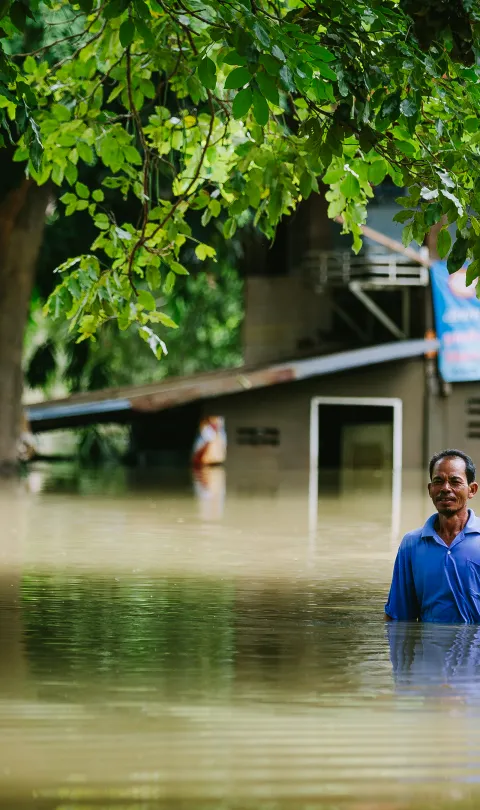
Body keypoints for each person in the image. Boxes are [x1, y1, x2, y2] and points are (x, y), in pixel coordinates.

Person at [385, 449, 480, 623]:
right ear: (430, 490)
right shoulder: (412, 544)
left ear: (472, 490)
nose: (445, 488)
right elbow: (398, 617)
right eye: (438, 481)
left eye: (455, 481)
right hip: (429, 648)